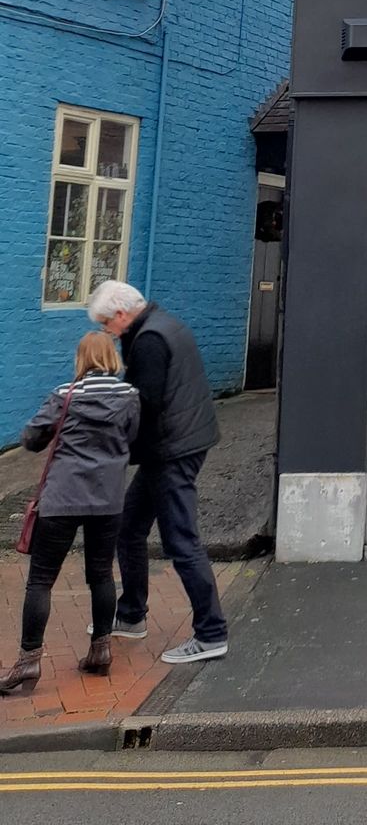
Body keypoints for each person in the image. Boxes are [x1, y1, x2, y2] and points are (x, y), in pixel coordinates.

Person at [86, 280, 228, 664]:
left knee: (181, 541)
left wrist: (113, 446)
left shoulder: (147, 340)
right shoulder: (165, 323)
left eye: (105, 325)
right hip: (179, 443)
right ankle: (131, 614)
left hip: (171, 450)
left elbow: (142, 403)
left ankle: (211, 633)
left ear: (120, 315)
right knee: (129, 527)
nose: (107, 333)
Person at [0, 332, 141, 695]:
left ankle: (29, 659)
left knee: (41, 580)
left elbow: (32, 439)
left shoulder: (65, 395)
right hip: (108, 499)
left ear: (82, 359)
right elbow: (134, 440)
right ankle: (101, 649)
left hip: (62, 498)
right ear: (112, 358)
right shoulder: (129, 396)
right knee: (101, 574)